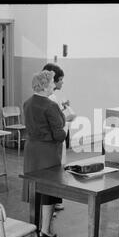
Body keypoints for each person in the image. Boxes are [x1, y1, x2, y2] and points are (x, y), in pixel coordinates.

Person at [22, 70, 66, 237]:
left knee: (35, 189)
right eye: (52, 83)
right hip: (47, 152)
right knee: (49, 190)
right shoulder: (50, 105)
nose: (53, 86)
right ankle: (45, 230)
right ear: (44, 85)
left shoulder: (27, 103)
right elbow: (59, 134)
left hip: (31, 149)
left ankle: (35, 227)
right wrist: (64, 130)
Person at [43, 63, 77, 213]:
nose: (62, 82)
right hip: (54, 140)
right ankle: (54, 201)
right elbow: (56, 121)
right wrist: (67, 118)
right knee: (55, 169)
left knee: (56, 169)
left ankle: (54, 200)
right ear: (54, 80)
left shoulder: (50, 97)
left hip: (50, 140)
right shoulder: (51, 98)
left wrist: (63, 109)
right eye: (61, 79)